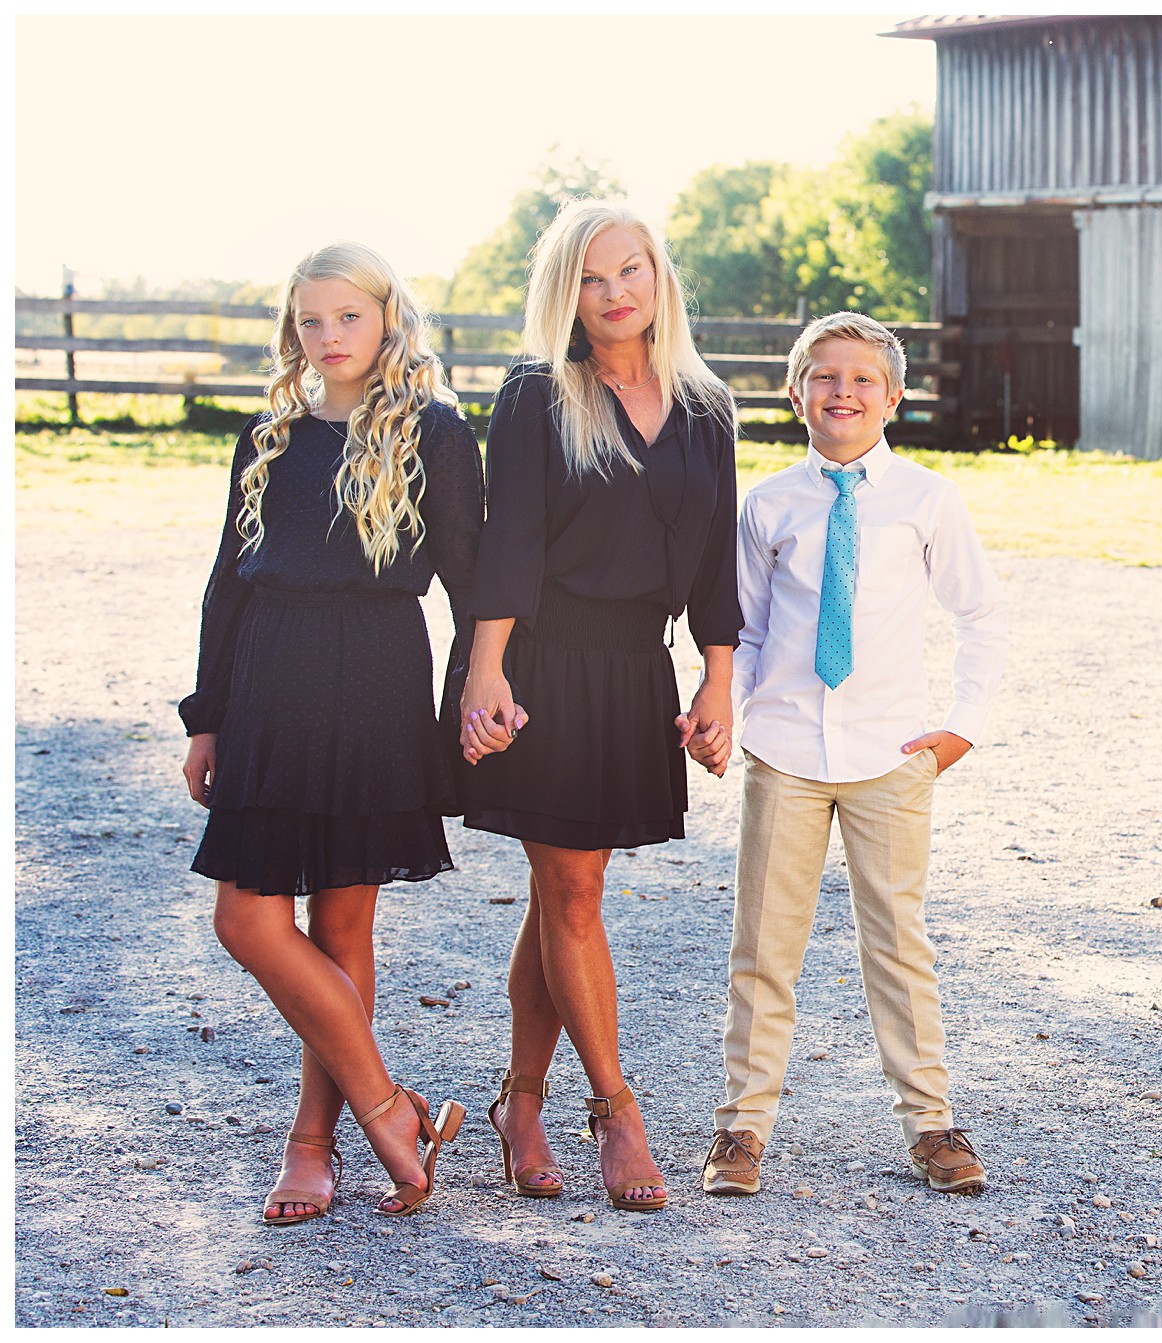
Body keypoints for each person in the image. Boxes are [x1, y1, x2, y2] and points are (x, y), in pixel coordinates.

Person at [180, 242, 478, 1222]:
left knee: (342, 925)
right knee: (249, 918)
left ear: (387, 318)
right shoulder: (269, 434)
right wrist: (207, 715)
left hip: (374, 682)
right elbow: (231, 578)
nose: (327, 336)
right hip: (269, 681)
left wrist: (487, 687)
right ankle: (388, 1105)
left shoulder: (433, 431)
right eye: (310, 320)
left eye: (346, 316)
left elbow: (473, 581)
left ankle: (313, 1142)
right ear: (292, 330)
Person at [456, 200, 739, 1212]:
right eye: (589, 277)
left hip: (634, 668)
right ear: (562, 293)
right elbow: (512, 541)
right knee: (573, 892)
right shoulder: (538, 393)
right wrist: (484, 672)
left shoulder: (708, 406)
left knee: (562, 893)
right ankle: (616, 1110)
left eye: (630, 269)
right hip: (540, 663)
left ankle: (518, 1102)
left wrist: (717, 676)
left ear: (659, 275)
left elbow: (715, 557)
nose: (614, 292)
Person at [703, 312, 1007, 1198]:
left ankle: (931, 1121)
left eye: (863, 380)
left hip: (890, 753)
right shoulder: (768, 505)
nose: (844, 392)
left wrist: (962, 724)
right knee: (763, 943)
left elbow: (980, 613)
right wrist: (735, 710)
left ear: (894, 398)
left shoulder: (925, 499)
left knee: (898, 940)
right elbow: (747, 628)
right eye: (825, 377)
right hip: (788, 751)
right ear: (796, 394)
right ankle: (741, 1129)